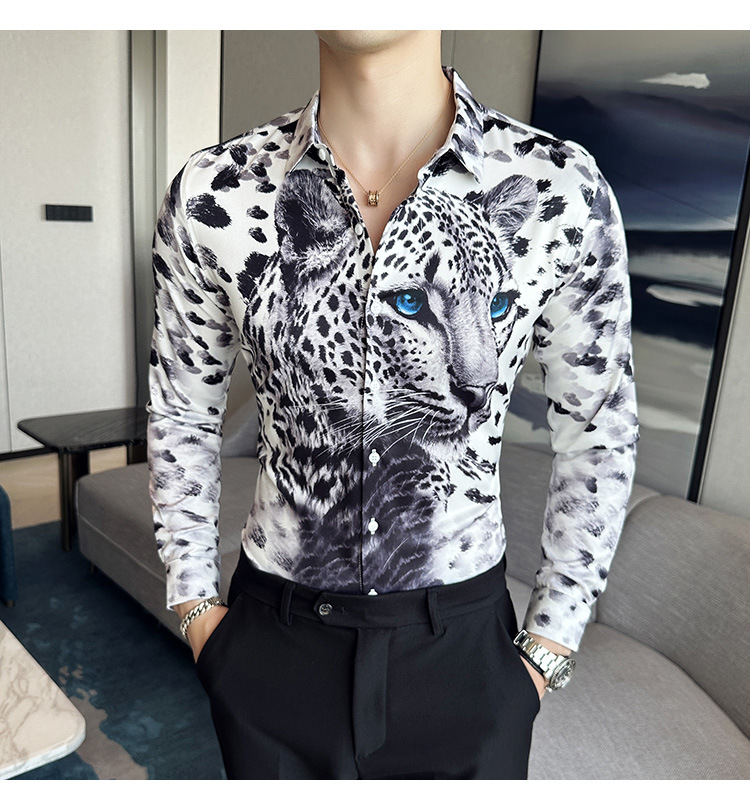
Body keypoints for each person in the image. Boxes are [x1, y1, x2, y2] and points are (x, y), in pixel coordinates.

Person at [146, 30, 640, 779]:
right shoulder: (217, 193)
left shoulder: (558, 188)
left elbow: (598, 429)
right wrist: (194, 608)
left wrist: (548, 648)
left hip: (463, 651)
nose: (472, 375)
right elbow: (183, 410)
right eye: (417, 303)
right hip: (273, 639)